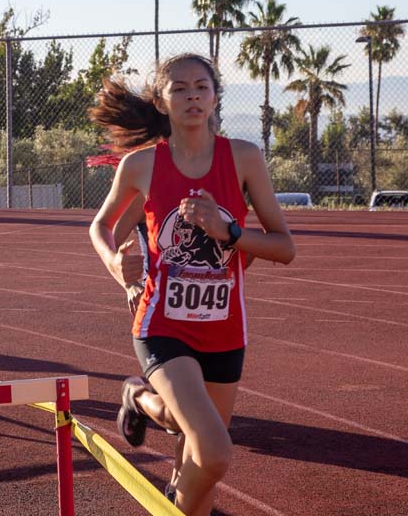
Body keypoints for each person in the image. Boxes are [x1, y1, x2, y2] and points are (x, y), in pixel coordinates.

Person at [88, 53, 296, 516]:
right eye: (179, 89)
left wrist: (230, 233)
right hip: (163, 325)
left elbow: (284, 247)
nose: (192, 96)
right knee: (214, 452)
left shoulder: (244, 158)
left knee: (194, 449)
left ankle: (137, 398)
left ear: (216, 97)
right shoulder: (141, 165)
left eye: (202, 87)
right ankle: (172, 502)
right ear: (162, 102)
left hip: (224, 331)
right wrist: (116, 264)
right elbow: (102, 226)